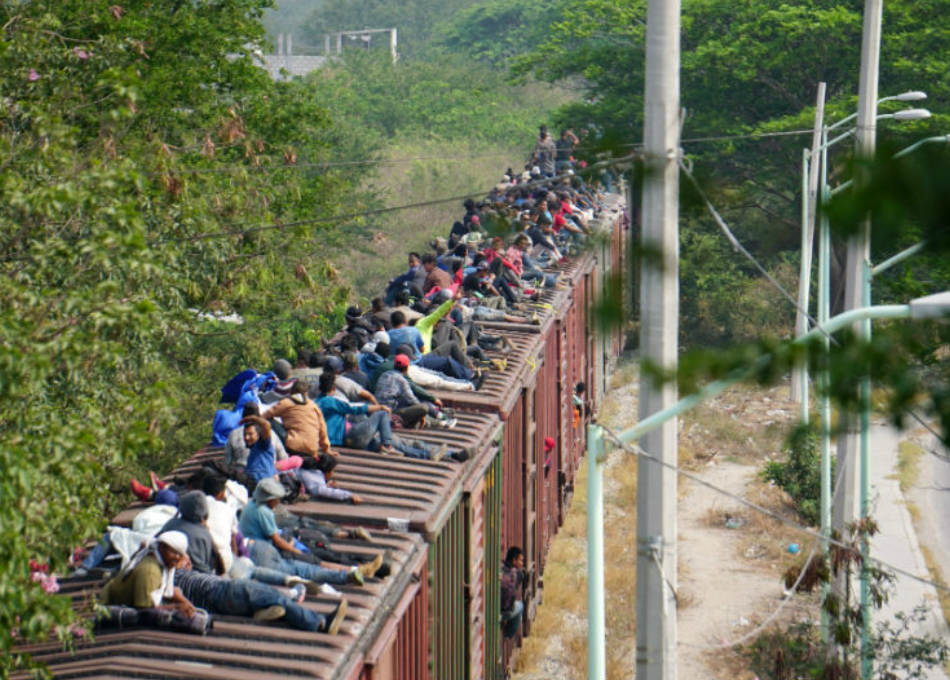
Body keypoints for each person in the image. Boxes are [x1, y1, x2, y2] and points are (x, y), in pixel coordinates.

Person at [238, 478, 364, 586]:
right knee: (302, 567)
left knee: (306, 560)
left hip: (257, 548)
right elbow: (277, 541)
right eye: (277, 499)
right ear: (269, 499)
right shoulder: (263, 511)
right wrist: (294, 550)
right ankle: (347, 574)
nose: (278, 502)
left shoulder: (251, 505)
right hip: (261, 552)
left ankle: (348, 572)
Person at [173, 568, 348, 634]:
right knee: (277, 597)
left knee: (272, 597)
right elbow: (173, 593)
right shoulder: (170, 579)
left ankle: (266, 611)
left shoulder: (173, 573)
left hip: (225, 594)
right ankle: (320, 623)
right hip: (223, 591)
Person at [100, 531, 196, 617]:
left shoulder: (158, 561)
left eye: (180, 554)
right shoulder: (150, 571)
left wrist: (183, 601)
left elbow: (164, 590)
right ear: (162, 548)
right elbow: (145, 610)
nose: (177, 557)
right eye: (174, 552)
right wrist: (177, 607)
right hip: (110, 609)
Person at [314, 371, 397, 455]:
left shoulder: (315, 402)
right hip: (342, 439)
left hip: (327, 440)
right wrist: (380, 407)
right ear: (334, 388)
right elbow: (355, 408)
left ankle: (392, 446)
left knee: (380, 444)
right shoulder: (332, 401)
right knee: (382, 413)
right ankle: (387, 445)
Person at [374, 354, 457, 429]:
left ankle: (441, 417)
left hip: (381, 409)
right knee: (423, 407)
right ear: (406, 368)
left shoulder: (384, 375)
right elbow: (412, 400)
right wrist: (422, 414)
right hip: (391, 413)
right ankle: (442, 420)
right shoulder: (402, 380)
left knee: (420, 404)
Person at [264, 381, 336, 457]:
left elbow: (265, 415)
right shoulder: (313, 406)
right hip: (312, 448)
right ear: (306, 394)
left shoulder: (286, 402)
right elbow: (323, 428)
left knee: (268, 421)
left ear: (291, 391)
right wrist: (326, 448)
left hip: (293, 445)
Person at [159, 491, 218, 575]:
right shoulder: (204, 534)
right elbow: (209, 564)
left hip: (167, 572)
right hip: (198, 578)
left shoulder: (170, 523)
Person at [240, 415, 304, 484]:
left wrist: (253, 418)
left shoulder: (263, 445)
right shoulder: (252, 452)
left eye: (250, 434)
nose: (246, 437)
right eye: (245, 434)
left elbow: (266, 425)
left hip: (265, 485)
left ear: (258, 434)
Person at [298, 453, 363, 503]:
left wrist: (325, 485)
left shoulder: (309, 471)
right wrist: (349, 495)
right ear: (327, 471)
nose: (332, 474)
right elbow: (322, 491)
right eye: (332, 471)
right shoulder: (314, 474)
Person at [501, 546, 525, 638]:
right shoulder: (517, 574)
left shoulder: (500, 566)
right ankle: (508, 635)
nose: (522, 563)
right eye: (521, 560)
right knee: (520, 605)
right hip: (502, 613)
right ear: (514, 560)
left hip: (492, 608)